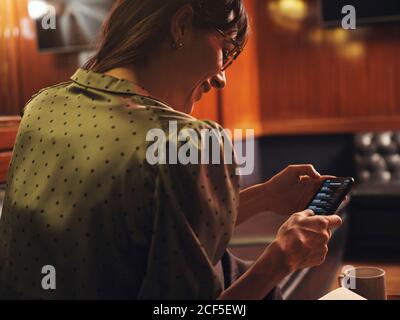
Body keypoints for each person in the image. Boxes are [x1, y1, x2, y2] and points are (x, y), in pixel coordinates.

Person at [0, 0, 342, 299]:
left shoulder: (41, 107)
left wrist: (265, 197)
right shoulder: (189, 142)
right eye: (226, 49)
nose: (222, 78)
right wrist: (281, 258)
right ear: (181, 25)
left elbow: (142, 225)